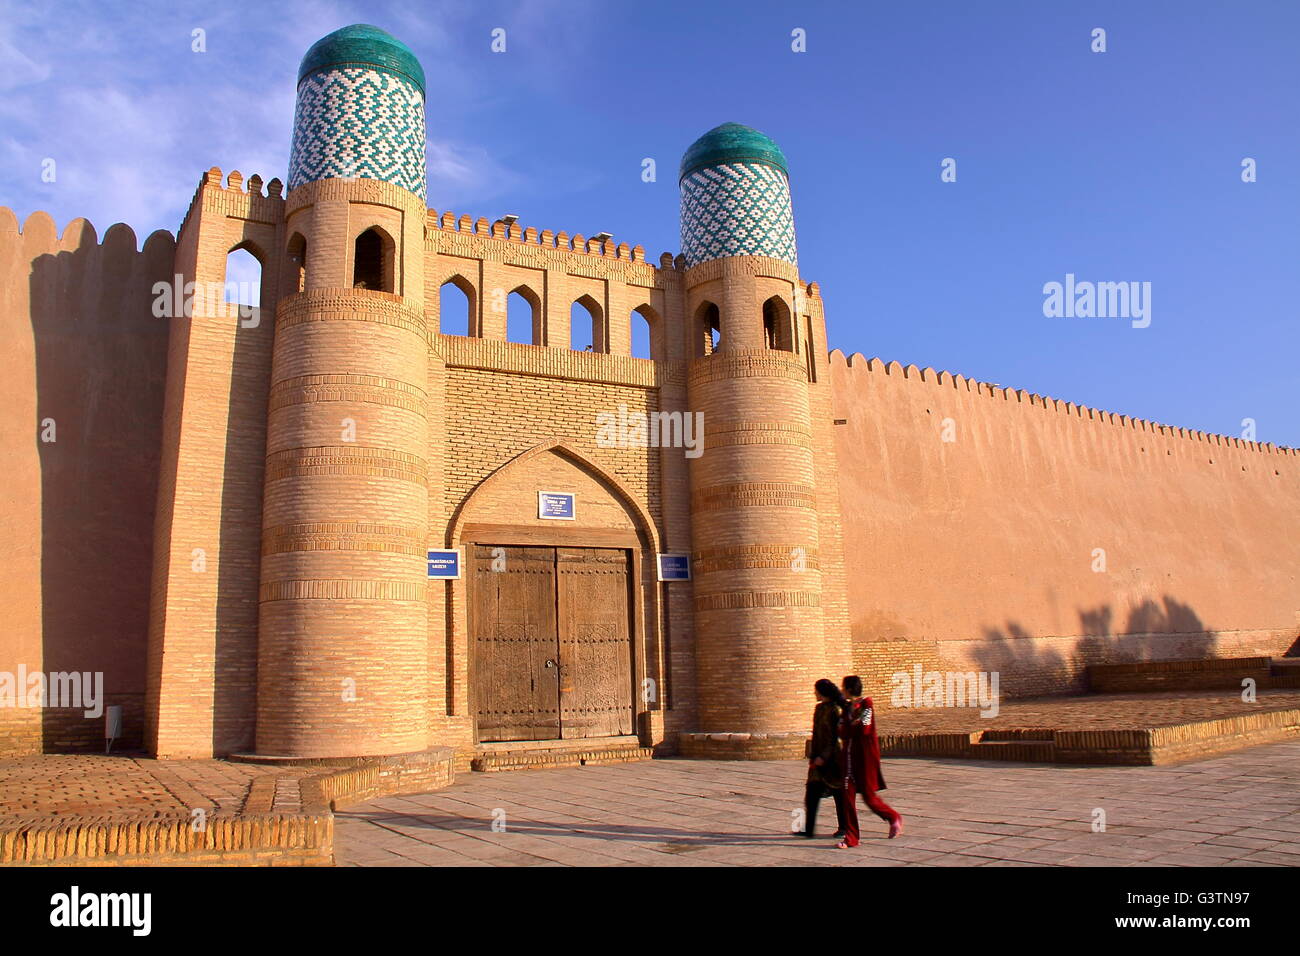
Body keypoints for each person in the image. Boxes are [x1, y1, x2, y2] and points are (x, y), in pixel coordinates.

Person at [837, 674, 903, 847]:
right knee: (847, 797)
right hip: (848, 758)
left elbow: (864, 728)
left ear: (849, 689)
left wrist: (848, 726)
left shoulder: (867, 704)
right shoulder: (846, 707)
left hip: (865, 757)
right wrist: (849, 726)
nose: (842, 690)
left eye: (844, 687)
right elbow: (842, 730)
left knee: (869, 797)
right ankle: (851, 838)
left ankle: (893, 816)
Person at [803, 678, 846, 839]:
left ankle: (844, 826)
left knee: (838, 793)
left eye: (816, 691)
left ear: (822, 692)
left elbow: (835, 737)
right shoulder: (819, 708)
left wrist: (824, 756)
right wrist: (814, 756)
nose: (814, 693)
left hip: (833, 759)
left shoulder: (835, 710)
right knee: (811, 793)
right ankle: (809, 829)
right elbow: (816, 735)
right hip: (818, 757)